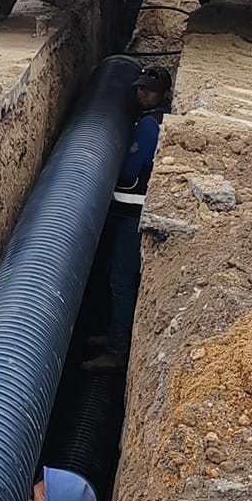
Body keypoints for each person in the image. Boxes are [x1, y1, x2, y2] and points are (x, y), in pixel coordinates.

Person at [85, 64, 171, 373]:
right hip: (127, 213)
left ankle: (118, 350)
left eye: (148, 90)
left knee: (121, 282)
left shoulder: (150, 126)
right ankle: (114, 335)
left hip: (134, 217)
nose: (141, 93)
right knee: (115, 278)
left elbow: (128, 171)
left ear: (163, 94)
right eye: (138, 88)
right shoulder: (150, 119)